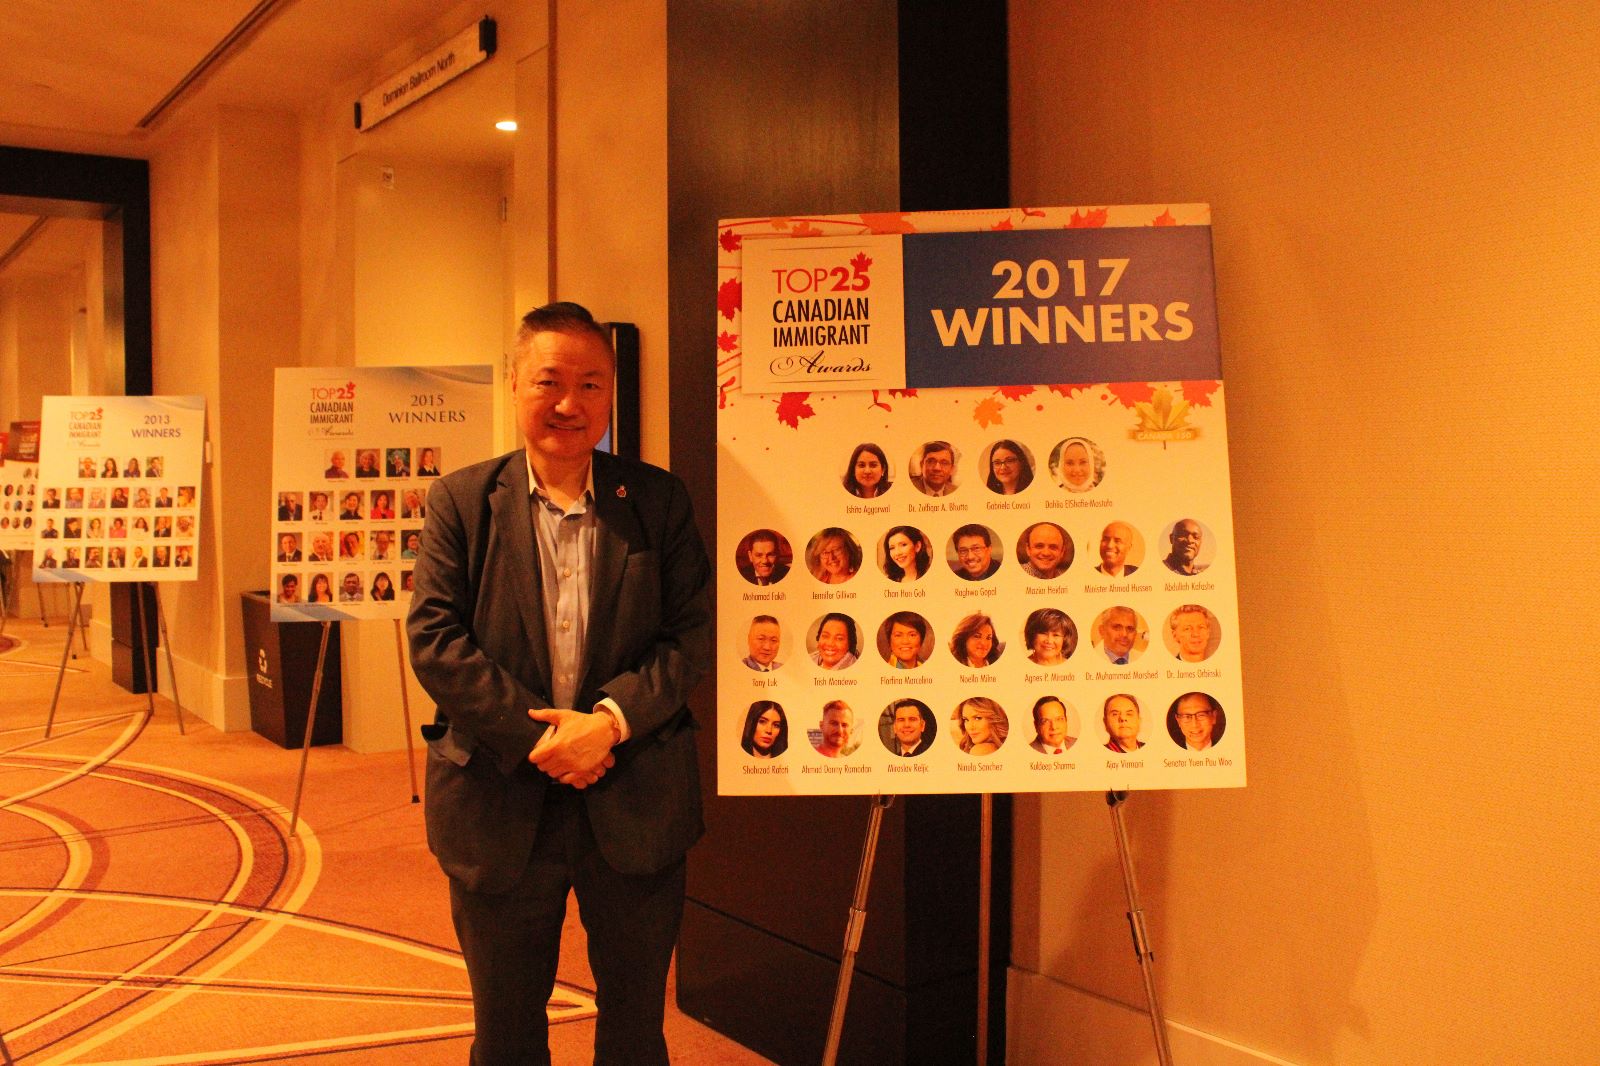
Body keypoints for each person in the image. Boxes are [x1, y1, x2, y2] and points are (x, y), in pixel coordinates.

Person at [406, 302, 711, 1064]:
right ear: (514, 384)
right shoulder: (460, 502)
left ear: (610, 395)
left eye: (591, 384)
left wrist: (606, 724)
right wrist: (545, 738)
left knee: (635, 1029)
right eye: (549, 381)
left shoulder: (659, 501)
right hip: (499, 799)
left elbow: (691, 635)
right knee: (506, 1033)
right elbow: (436, 640)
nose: (569, 404)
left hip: (634, 794)